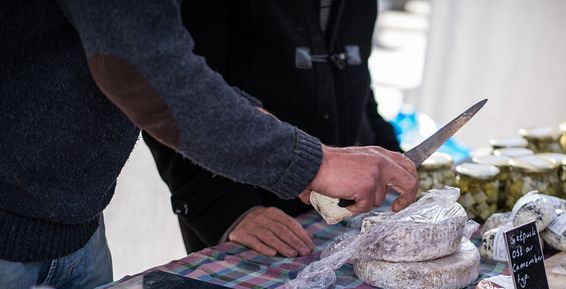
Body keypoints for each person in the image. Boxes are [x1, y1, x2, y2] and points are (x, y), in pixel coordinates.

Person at [0, 0, 417, 289]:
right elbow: (150, 71)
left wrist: (319, 158)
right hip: (10, 230)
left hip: (79, 226)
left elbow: (180, 68)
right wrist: (313, 164)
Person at [144, 0, 401, 257]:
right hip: (247, 212)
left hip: (344, 209)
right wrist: (225, 209)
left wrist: (391, 152)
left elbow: (354, 78)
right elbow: (170, 89)